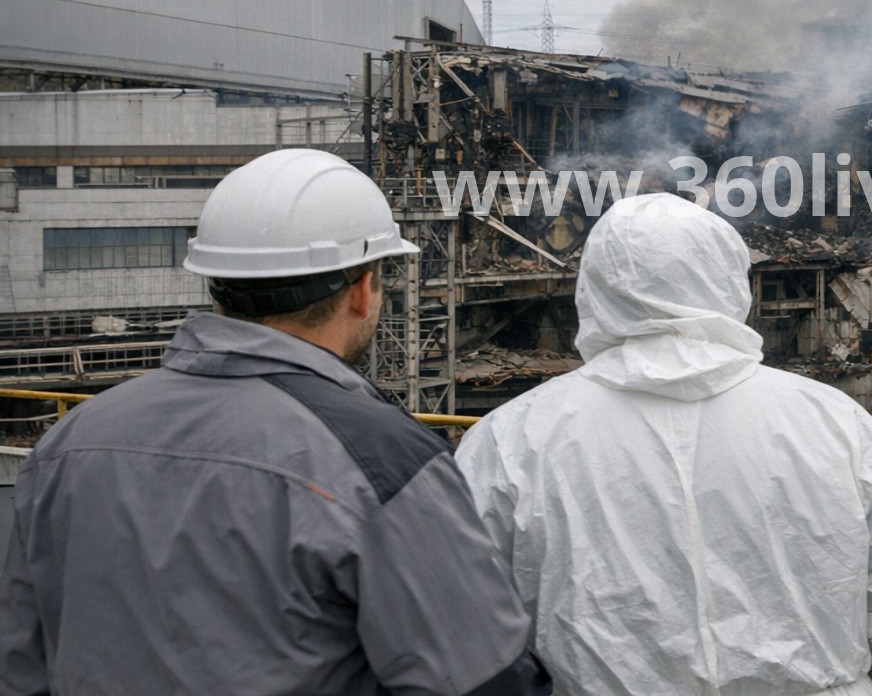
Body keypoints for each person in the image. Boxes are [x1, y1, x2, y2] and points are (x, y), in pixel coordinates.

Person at [0, 149, 551, 696]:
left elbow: (21, 666)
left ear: (215, 282)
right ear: (362, 290)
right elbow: (483, 680)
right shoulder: (378, 459)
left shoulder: (71, 439)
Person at [455, 193, 872, 696]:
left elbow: (464, 631)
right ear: (728, 281)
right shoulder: (834, 422)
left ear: (593, 288)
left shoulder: (508, 440)